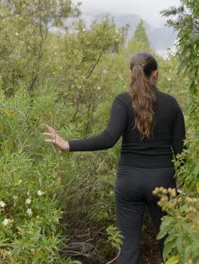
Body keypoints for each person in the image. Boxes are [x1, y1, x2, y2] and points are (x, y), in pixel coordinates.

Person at [43, 51, 185, 263]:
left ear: (132, 74)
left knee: (127, 250)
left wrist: (68, 144)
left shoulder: (122, 102)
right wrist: (181, 184)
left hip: (129, 182)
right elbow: (181, 151)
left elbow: (108, 138)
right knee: (170, 246)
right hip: (162, 183)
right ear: (155, 74)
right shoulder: (171, 104)